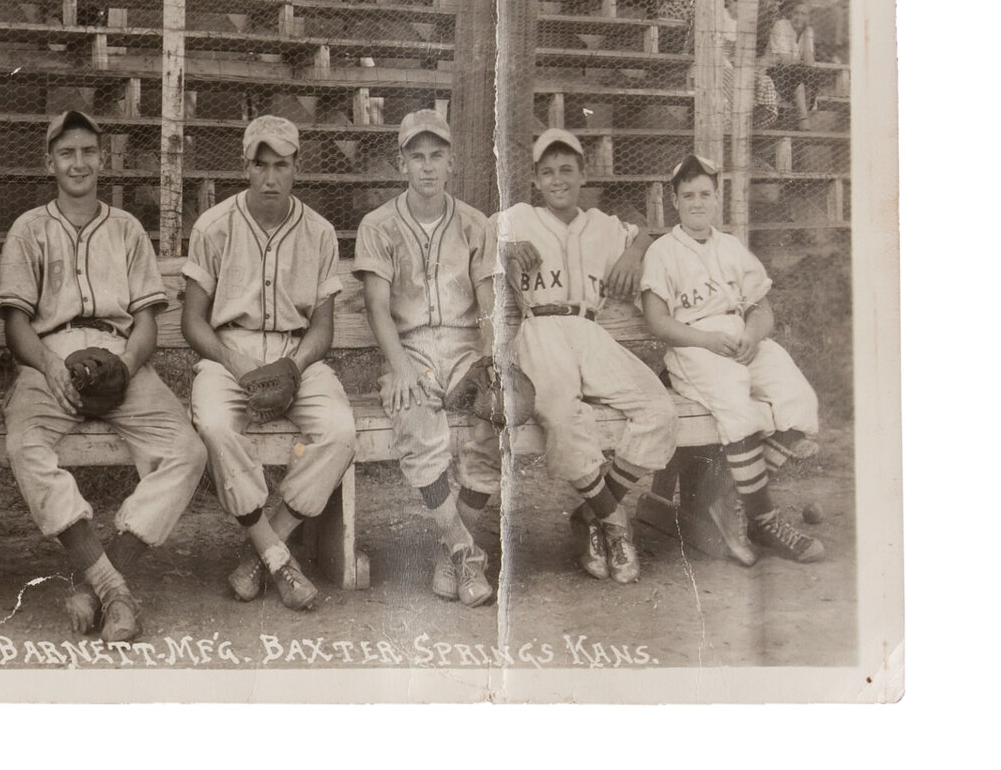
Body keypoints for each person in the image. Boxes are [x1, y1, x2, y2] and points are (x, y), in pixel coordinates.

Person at [0, 110, 206, 643]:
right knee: (24, 446)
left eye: (89, 151)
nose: (79, 162)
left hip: (117, 352)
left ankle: (99, 577)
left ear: (102, 159)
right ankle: (113, 588)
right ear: (50, 162)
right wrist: (48, 367)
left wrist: (127, 366)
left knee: (189, 450)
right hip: (49, 356)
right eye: (67, 153)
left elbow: (146, 321)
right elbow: (17, 324)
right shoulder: (29, 229)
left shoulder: (127, 228)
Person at [180, 116, 360, 612]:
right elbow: (193, 322)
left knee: (342, 432)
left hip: (295, 351)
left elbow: (322, 330)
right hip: (229, 351)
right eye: (260, 165)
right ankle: (281, 561)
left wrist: (294, 368)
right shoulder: (214, 226)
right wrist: (234, 361)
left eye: (281, 165)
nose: (270, 177)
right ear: (246, 167)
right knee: (215, 424)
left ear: (296, 168)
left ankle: (263, 548)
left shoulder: (320, 232)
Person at [494, 128, 677, 586]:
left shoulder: (603, 225)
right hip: (539, 328)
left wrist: (635, 252)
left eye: (567, 170)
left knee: (658, 409)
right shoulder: (520, 215)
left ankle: (591, 512)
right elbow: (483, 235)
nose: (558, 180)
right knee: (560, 413)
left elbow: (646, 236)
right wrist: (506, 247)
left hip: (589, 330)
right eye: (548, 172)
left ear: (583, 175)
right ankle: (614, 525)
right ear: (536, 180)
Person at [636, 155, 828, 565]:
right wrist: (707, 340)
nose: (697, 203)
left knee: (798, 402)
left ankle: (735, 499)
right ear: (674, 200)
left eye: (705, 194)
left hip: (740, 340)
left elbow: (762, 309)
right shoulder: (663, 251)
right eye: (688, 195)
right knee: (739, 407)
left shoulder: (731, 247)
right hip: (693, 346)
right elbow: (657, 321)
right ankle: (764, 516)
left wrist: (753, 336)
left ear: (717, 197)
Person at [351, 109, 502, 607]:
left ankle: (447, 549)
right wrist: (399, 366)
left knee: (496, 418)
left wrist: (489, 361)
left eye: (437, 155)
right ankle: (463, 548)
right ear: (402, 165)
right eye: (417, 156)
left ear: (452, 161)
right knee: (416, 417)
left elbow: (487, 304)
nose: (428, 166)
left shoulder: (475, 224)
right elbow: (376, 308)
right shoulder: (379, 225)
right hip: (412, 345)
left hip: (463, 346)